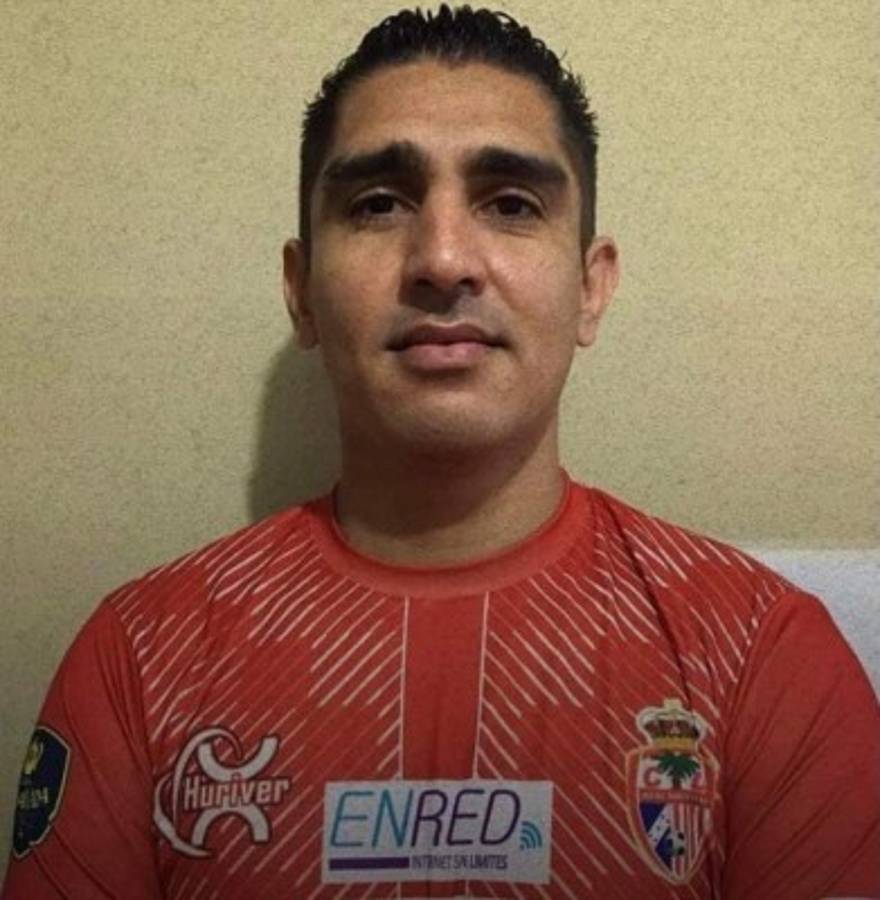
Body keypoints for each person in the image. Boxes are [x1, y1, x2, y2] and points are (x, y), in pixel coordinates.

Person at [3, 4, 878, 898]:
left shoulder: (764, 660)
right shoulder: (138, 659)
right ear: (301, 292)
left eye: (511, 203)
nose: (444, 258)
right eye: (378, 204)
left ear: (590, 286)